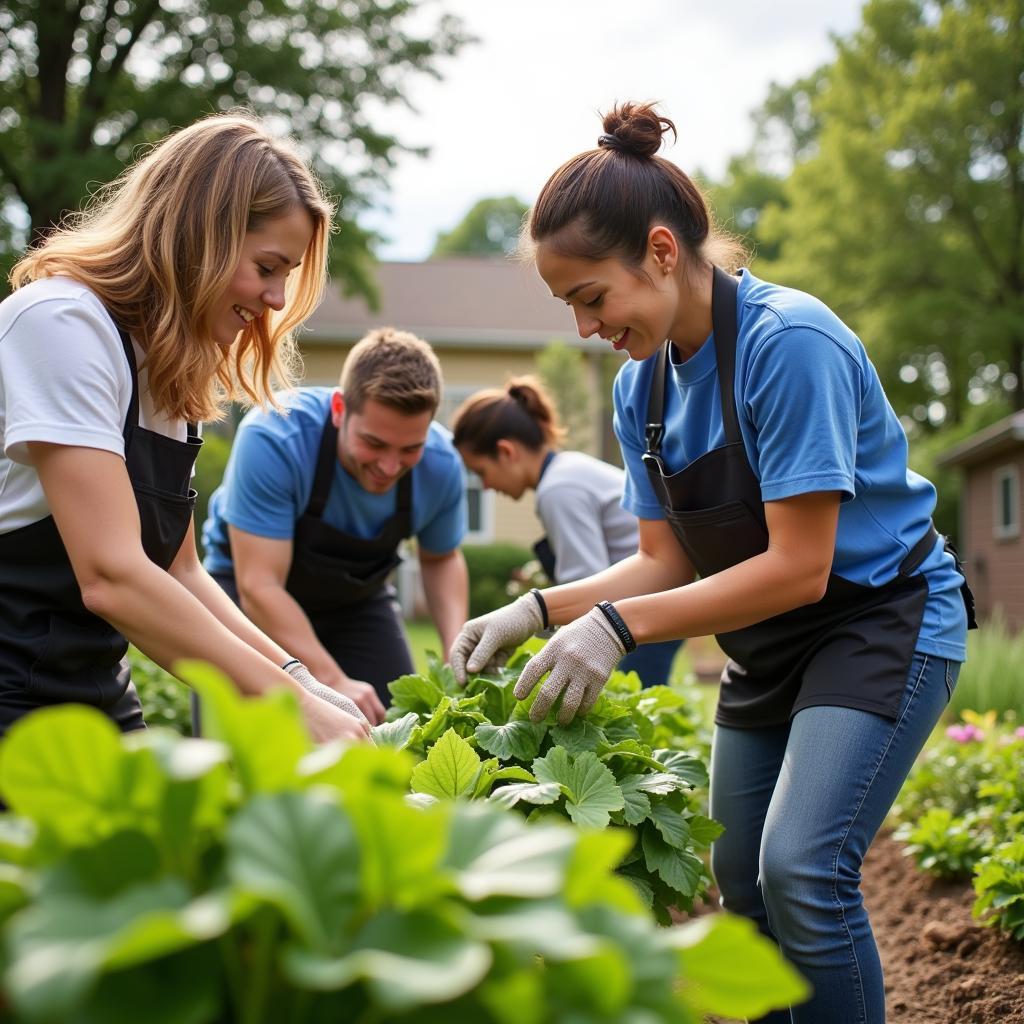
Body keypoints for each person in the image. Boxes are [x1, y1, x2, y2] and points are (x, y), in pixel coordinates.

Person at [448, 101, 974, 1024]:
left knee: (803, 866)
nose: (583, 326)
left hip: (879, 619)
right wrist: (542, 611)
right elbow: (660, 560)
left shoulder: (788, 344)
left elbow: (801, 567)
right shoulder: (640, 386)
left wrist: (614, 631)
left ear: (659, 251)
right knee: (739, 877)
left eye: (590, 298)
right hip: (769, 647)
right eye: (568, 305)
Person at [0, 113, 370, 745]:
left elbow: (179, 569)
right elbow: (112, 573)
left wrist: (299, 679)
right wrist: (295, 708)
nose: (278, 299)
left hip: (92, 694)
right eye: (268, 266)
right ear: (202, 236)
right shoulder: (62, 325)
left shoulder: (170, 368)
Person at [201, 327, 469, 719]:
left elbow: (440, 558)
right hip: (246, 593)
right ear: (340, 410)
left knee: (394, 735)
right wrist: (330, 680)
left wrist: (455, 649)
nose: (389, 467)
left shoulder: (442, 464)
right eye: (374, 444)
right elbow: (259, 585)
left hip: (356, 605)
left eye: (410, 448)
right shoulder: (275, 436)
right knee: (236, 755)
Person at [451, 375, 682, 686]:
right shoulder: (567, 470)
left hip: (643, 610)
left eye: (481, 472)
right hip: (652, 603)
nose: (487, 486)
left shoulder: (557, 489)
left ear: (506, 452)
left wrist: (529, 625)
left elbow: (586, 587)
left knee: (621, 708)